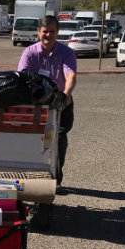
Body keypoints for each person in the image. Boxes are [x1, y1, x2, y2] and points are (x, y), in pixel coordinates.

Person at [17, 15, 76, 192]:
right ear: (38, 32)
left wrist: (66, 95)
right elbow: (22, 76)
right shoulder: (29, 52)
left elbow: (70, 76)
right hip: (35, 103)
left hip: (60, 102)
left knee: (58, 140)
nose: (48, 35)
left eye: (52, 31)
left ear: (57, 33)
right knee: (32, 139)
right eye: (45, 31)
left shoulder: (66, 53)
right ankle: (30, 175)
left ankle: (56, 178)